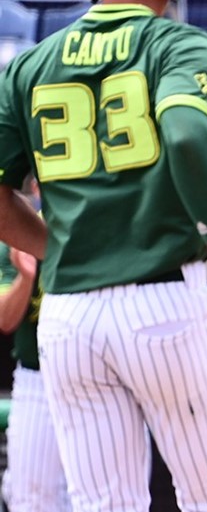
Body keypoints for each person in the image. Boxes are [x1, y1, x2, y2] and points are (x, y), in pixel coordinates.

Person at [0, 0, 207, 511]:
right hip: (165, 298)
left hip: (68, 319)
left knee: (103, 505)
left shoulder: (29, 64)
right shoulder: (176, 44)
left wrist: (52, 246)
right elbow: (189, 136)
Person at [0, 184, 70, 511]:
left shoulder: (109, 227)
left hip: (110, 376)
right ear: (35, 184)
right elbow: (5, 320)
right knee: (30, 500)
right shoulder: (19, 227)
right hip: (37, 377)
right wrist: (26, 278)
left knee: (111, 498)